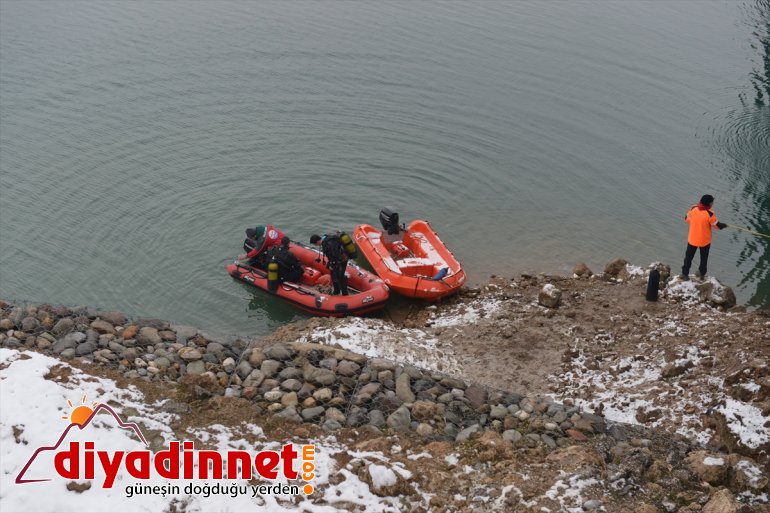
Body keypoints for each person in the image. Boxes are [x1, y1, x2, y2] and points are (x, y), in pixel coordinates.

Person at [681, 194, 727, 280]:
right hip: (704, 241)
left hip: (692, 239)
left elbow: (686, 219)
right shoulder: (710, 214)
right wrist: (723, 225)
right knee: (704, 258)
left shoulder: (693, 208)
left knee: (688, 257)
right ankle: (701, 273)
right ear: (709, 204)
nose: (712, 204)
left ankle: (684, 274)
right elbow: (716, 225)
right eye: (712, 202)